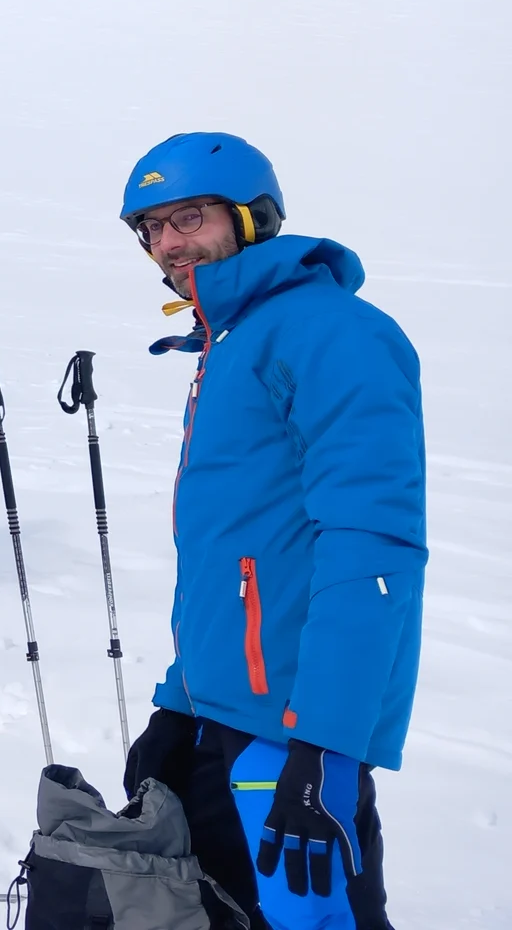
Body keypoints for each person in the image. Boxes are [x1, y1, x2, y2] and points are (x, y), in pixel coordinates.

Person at [116, 134, 425, 930]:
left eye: (190, 216)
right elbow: (239, 558)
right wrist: (177, 707)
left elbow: (372, 547)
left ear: (253, 218)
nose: (169, 242)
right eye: (152, 226)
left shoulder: (330, 332)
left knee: (314, 923)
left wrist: (327, 746)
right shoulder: (230, 341)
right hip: (222, 711)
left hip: (291, 731)